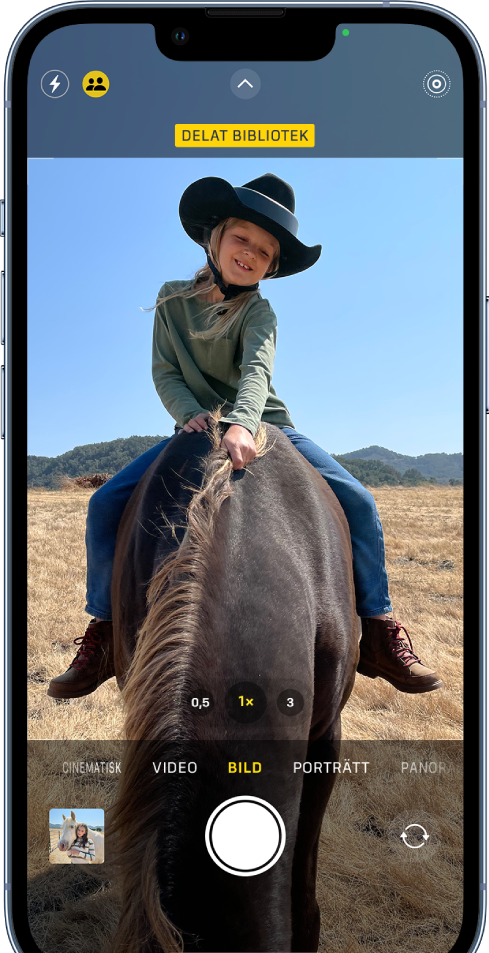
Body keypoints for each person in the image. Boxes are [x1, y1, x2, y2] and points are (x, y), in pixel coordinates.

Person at [47, 173, 443, 700]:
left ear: (272, 266)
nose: (250, 253)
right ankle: (104, 629)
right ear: (215, 239)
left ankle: (378, 628)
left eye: (265, 251)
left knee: (360, 501)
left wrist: (242, 422)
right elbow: (165, 371)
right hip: (195, 425)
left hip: (264, 422)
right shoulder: (171, 299)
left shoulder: (259, 311)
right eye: (242, 238)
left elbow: (257, 372)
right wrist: (190, 413)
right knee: (103, 505)